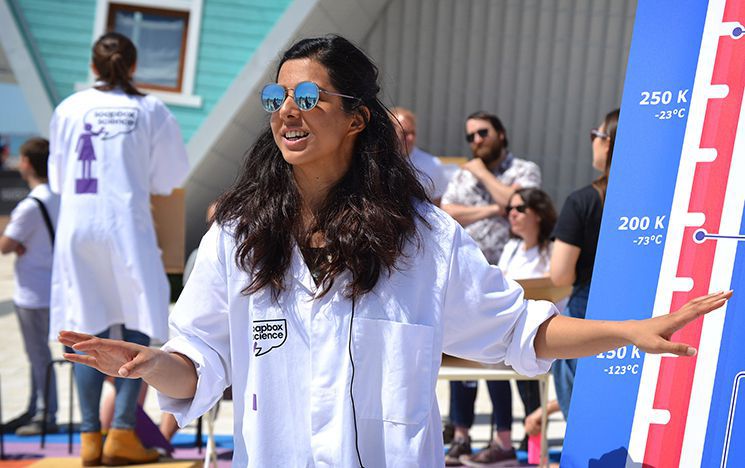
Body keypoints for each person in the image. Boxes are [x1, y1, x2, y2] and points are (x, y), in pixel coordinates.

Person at [58, 36, 731, 467]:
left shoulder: (422, 236)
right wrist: (154, 365)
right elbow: (198, 366)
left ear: (355, 117)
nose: (285, 110)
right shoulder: (239, 235)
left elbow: (521, 330)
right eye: (275, 97)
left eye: (307, 97)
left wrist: (629, 332)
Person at [48, 32, 189, 466]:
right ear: (133, 66)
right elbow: (171, 176)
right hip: (128, 226)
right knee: (140, 323)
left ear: (94, 66)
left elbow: (55, 179)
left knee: (81, 326)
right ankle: (123, 432)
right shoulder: (150, 110)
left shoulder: (69, 108)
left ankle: (91, 435)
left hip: (77, 226)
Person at [440, 112, 542, 464]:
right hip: (464, 280)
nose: (476, 141)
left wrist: (483, 174)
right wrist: (489, 209)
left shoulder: (524, 169)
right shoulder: (461, 174)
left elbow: (518, 199)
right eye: (470, 137)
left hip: (512, 276)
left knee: (503, 361)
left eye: (483, 133)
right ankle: (462, 435)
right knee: (461, 358)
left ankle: (509, 441)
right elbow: (447, 212)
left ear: (501, 133)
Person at [458, 187, 557, 466]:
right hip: (512, 330)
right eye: (509, 209)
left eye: (519, 209)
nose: (511, 214)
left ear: (537, 214)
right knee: (488, 360)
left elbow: (558, 290)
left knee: (519, 363)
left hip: (540, 331)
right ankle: (502, 438)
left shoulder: (551, 249)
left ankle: (531, 441)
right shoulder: (511, 248)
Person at [549, 109, 620, 419]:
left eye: (597, 135)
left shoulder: (583, 201)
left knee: (584, 418)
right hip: (644, 311)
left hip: (587, 314)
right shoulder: (662, 198)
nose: (593, 142)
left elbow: (560, 273)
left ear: (608, 143)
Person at [0, 137, 60, 435]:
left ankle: (44, 414)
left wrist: (16, 242)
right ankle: (39, 409)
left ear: (26, 163)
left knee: (38, 354)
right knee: (52, 355)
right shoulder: (60, 196)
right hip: (59, 288)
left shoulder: (30, 205)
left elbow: (5, 245)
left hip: (33, 291)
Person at [391, 107, 451, 204]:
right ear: (390, 133)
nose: (410, 138)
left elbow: (437, 203)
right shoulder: (376, 160)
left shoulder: (432, 164)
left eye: (413, 133)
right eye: (404, 133)